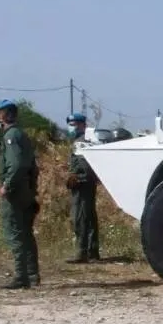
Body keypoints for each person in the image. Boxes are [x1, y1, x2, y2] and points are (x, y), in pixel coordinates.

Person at [0, 99, 41, 289]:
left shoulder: (11, 136)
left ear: (4, 115)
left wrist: (7, 185)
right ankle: (32, 275)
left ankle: (21, 276)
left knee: (14, 231)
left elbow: (16, 164)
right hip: (26, 190)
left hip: (16, 192)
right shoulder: (21, 134)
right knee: (26, 233)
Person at [64, 112, 101, 263]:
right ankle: (92, 252)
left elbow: (84, 166)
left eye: (74, 124)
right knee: (89, 217)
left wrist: (77, 178)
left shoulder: (82, 141)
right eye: (70, 124)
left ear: (82, 125)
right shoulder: (82, 140)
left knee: (80, 217)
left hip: (83, 184)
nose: (71, 127)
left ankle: (82, 252)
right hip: (87, 183)